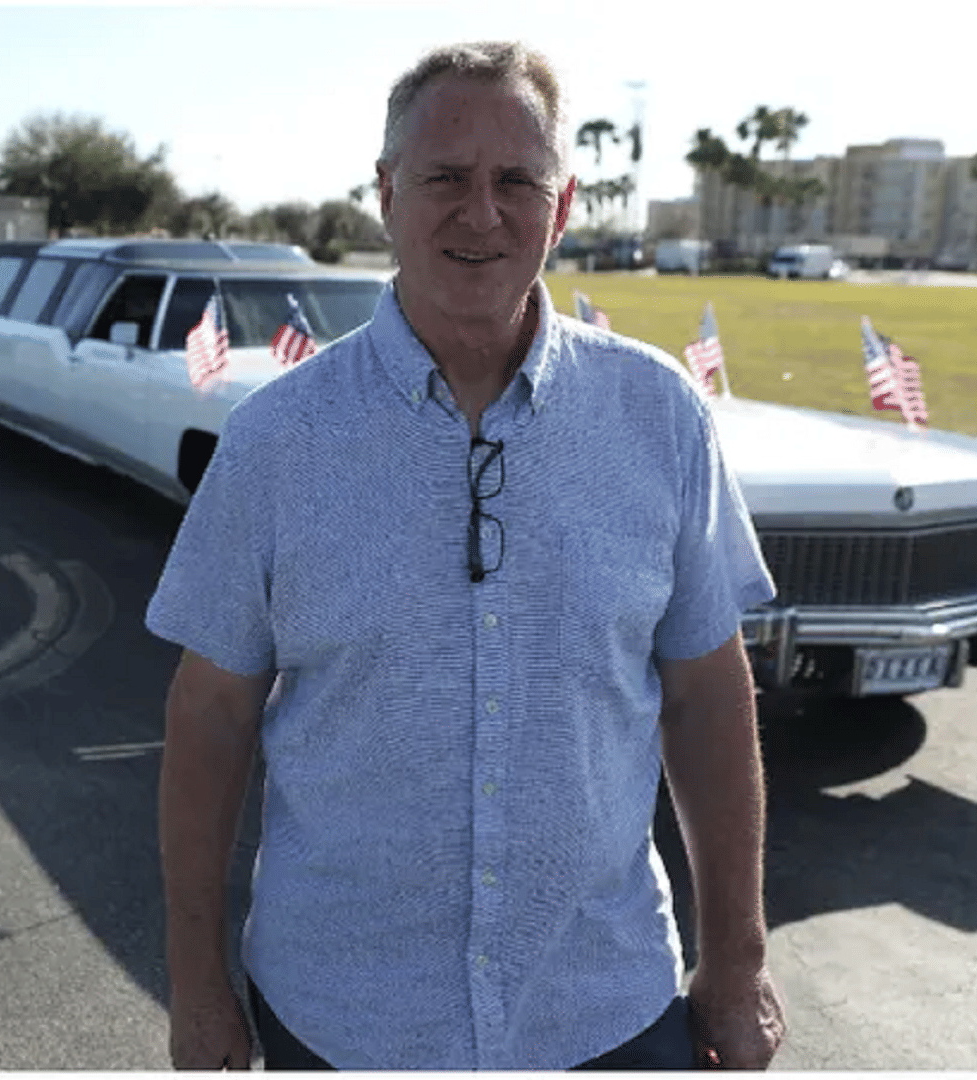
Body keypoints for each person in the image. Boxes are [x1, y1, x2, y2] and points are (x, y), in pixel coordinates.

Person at [146, 41, 787, 1071]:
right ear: (386, 193)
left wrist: (737, 957)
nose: (480, 212)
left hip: (607, 1015)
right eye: (445, 177)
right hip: (340, 1021)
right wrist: (195, 981)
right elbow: (210, 714)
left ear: (563, 204)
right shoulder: (276, 442)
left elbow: (710, 695)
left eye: (515, 182)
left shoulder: (659, 415)